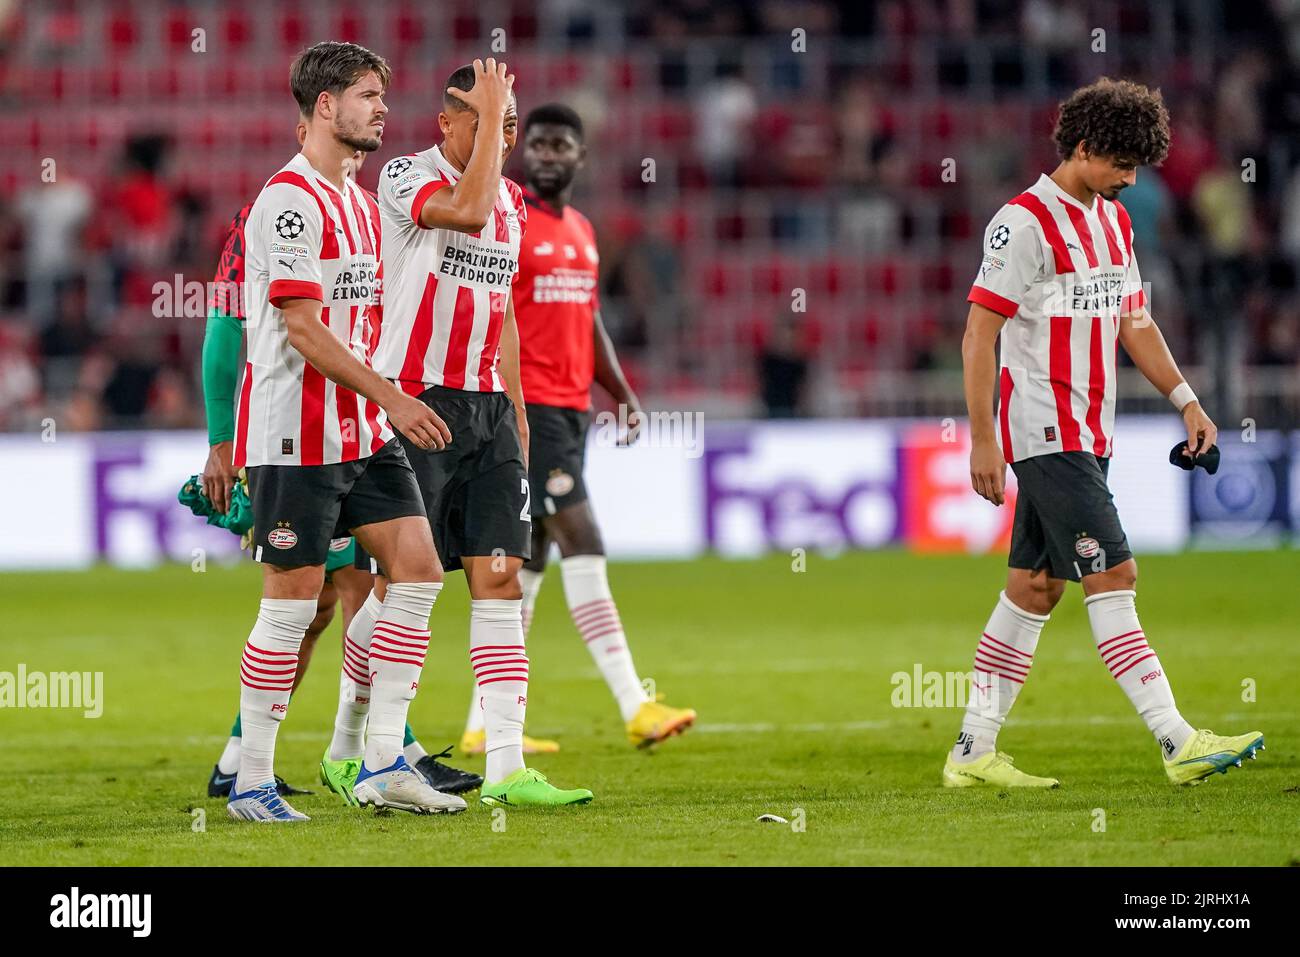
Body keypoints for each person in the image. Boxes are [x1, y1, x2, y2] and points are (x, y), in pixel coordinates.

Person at [947, 77, 1264, 789]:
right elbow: (978, 334)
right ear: (1084, 148)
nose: (1130, 179)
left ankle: (971, 749)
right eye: (1121, 164)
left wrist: (1187, 399)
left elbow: (1134, 322)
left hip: (1090, 431)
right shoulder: (1023, 222)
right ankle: (1178, 739)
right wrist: (982, 438)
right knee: (1114, 573)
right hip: (1045, 426)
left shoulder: (1113, 222)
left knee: (1034, 588)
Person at [344, 59, 593, 807]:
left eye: (510, 122)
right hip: (417, 401)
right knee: (402, 584)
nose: (506, 135)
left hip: (486, 411)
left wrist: (513, 402)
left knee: (500, 579)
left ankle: (508, 766)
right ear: (446, 122)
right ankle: (364, 747)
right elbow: (465, 211)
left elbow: (503, 307)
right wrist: (490, 121)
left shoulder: (513, 199)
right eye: (487, 118)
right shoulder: (402, 176)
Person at [227, 40, 463, 822]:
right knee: (292, 605)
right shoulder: (289, 200)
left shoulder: (360, 205)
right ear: (325, 105)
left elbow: (361, 325)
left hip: (363, 429)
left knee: (419, 571)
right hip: (297, 436)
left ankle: (384, 757)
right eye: (368, 95)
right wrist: (395, 398)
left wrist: (390, 399)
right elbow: (303, 330)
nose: (382, 108)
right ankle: (253, 779)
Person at [457, 102, 695, 755]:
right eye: (537, 143)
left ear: (580, 157)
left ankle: (482, 723)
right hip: (528, 411)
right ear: (522, 150)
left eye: (561, 145)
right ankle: (635, 702)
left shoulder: (584, 232)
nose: (547, 154)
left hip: (572, 408)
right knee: (583, 538)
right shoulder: (508, 220)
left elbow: (589, 324)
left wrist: (621, 392)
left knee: (530, 562)